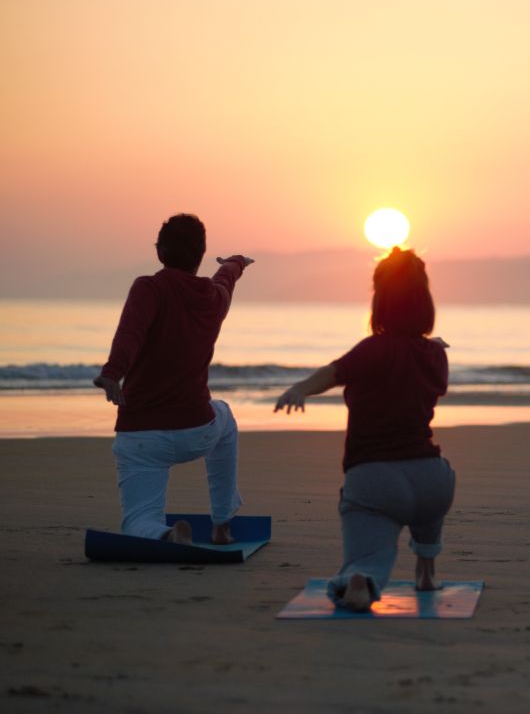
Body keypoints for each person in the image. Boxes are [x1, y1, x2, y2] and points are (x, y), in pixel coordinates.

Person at [275, 248, 454, 612]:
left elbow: (333, 372)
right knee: (427, 518)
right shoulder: (436, 355)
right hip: (433, 480)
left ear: (379, 302)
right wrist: (432, 345)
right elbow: (414, 359)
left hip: (375, 481)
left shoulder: (374, 349)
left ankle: (361, 579)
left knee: (368, 553)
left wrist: (299, 389)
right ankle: (426, 573)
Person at [94, 214, 253, 546]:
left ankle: (165, 534)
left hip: (142, 434)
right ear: (200, 255)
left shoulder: (149, 288)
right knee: (225, 416)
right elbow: (226, 278)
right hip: (197, 430)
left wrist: (113, 373)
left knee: (139, 520)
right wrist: (237, 262)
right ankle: (222, 523)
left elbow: (130, 334)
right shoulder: (214, 297)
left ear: (160, 251)